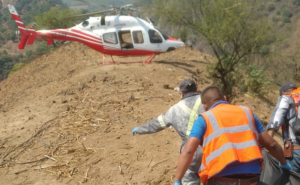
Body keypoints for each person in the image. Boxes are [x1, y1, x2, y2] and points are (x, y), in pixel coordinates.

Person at [173, 85, 291, 185]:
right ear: (225, 98)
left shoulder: (204, 118)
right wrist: (284, 164)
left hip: (221, 180)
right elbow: (272, 144)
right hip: (251, 180)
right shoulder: (247, 112)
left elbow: (188, 151)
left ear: (204, 106)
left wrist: (178, 180)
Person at [132, 79, 205, 185]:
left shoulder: (174, 110)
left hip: (189, 151)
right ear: (196, 89)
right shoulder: (208, 101)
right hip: (210, 147)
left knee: (190, 179)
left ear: (181, 93)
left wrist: (139, 129)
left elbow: (157, 124)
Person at [267, 82, 300, 173]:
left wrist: (268, 142)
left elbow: (277, 118)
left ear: (283, 92)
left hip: (295, 153)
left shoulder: (286, 98)